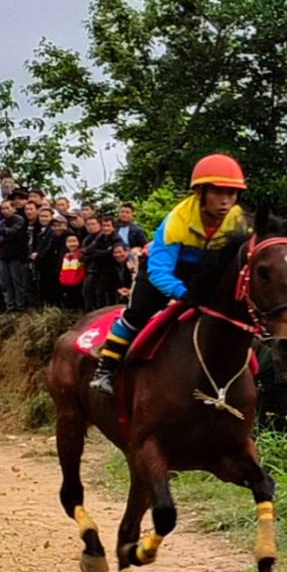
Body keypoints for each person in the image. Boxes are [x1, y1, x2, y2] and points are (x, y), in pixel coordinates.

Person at [90, 154, 252, 396]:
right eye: (218, 193)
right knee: (138, 314)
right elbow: (159, 271)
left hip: (202, 274)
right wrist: (184, 295)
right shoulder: (177, 220)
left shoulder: (237, 220)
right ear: (200, 193)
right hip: (161, 272)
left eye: (231, 194)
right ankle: (105, 369)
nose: (226, 201)